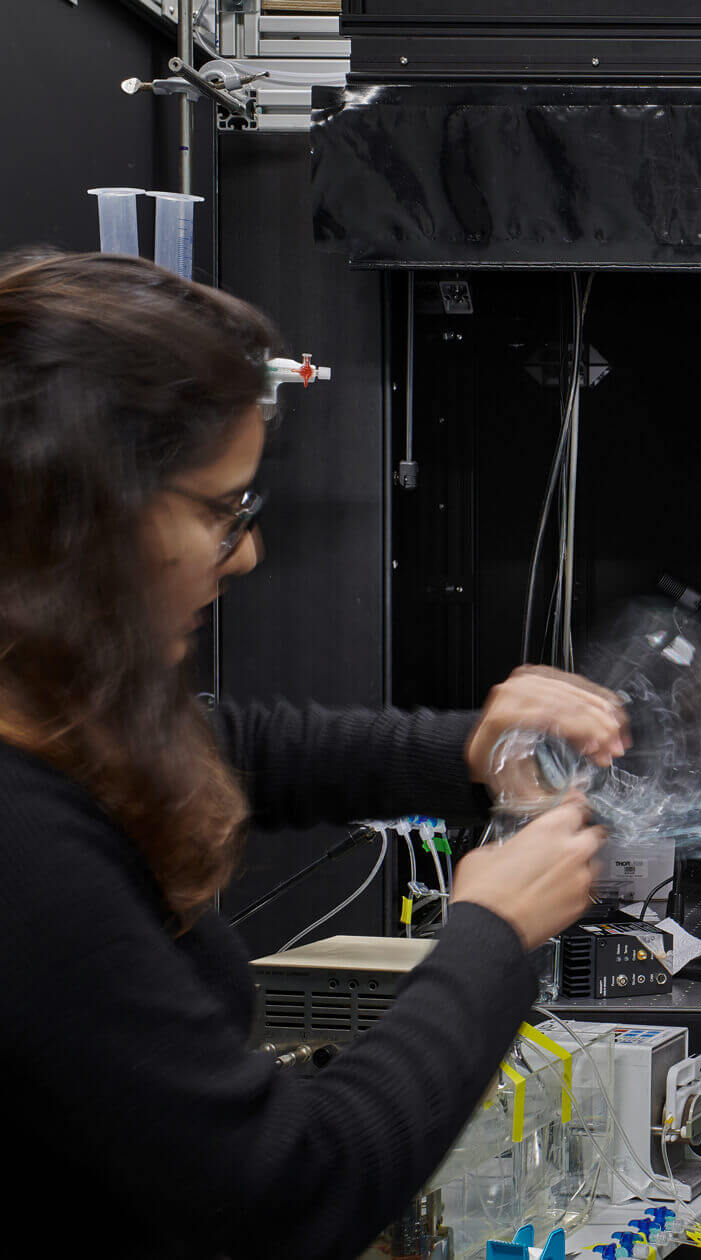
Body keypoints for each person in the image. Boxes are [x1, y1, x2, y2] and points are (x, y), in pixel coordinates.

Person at [0, 251, 623, 1258]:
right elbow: (292, 1191)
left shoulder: (43, 705)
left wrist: (466, 751)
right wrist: (492, 936)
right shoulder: (23, 845)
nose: (246, 553)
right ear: (86, 515)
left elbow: (227, 744)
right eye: (219, 511)